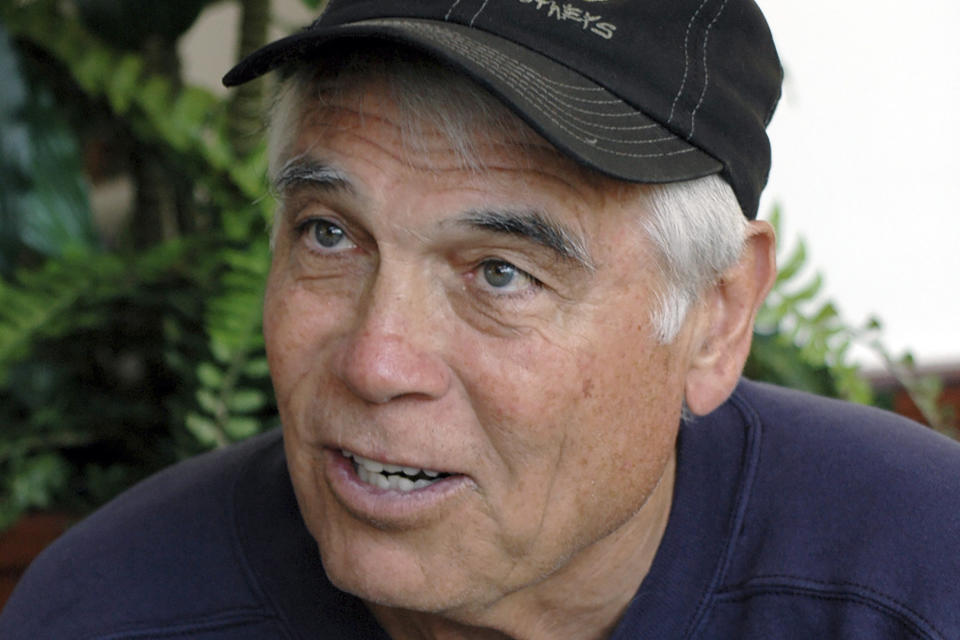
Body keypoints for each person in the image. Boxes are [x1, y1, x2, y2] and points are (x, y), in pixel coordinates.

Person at [3, 1, 959, 638]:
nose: (377, 362)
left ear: (715, 317)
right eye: (330, 235)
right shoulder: (105, 612)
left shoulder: (922, 580)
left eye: (500, 273)